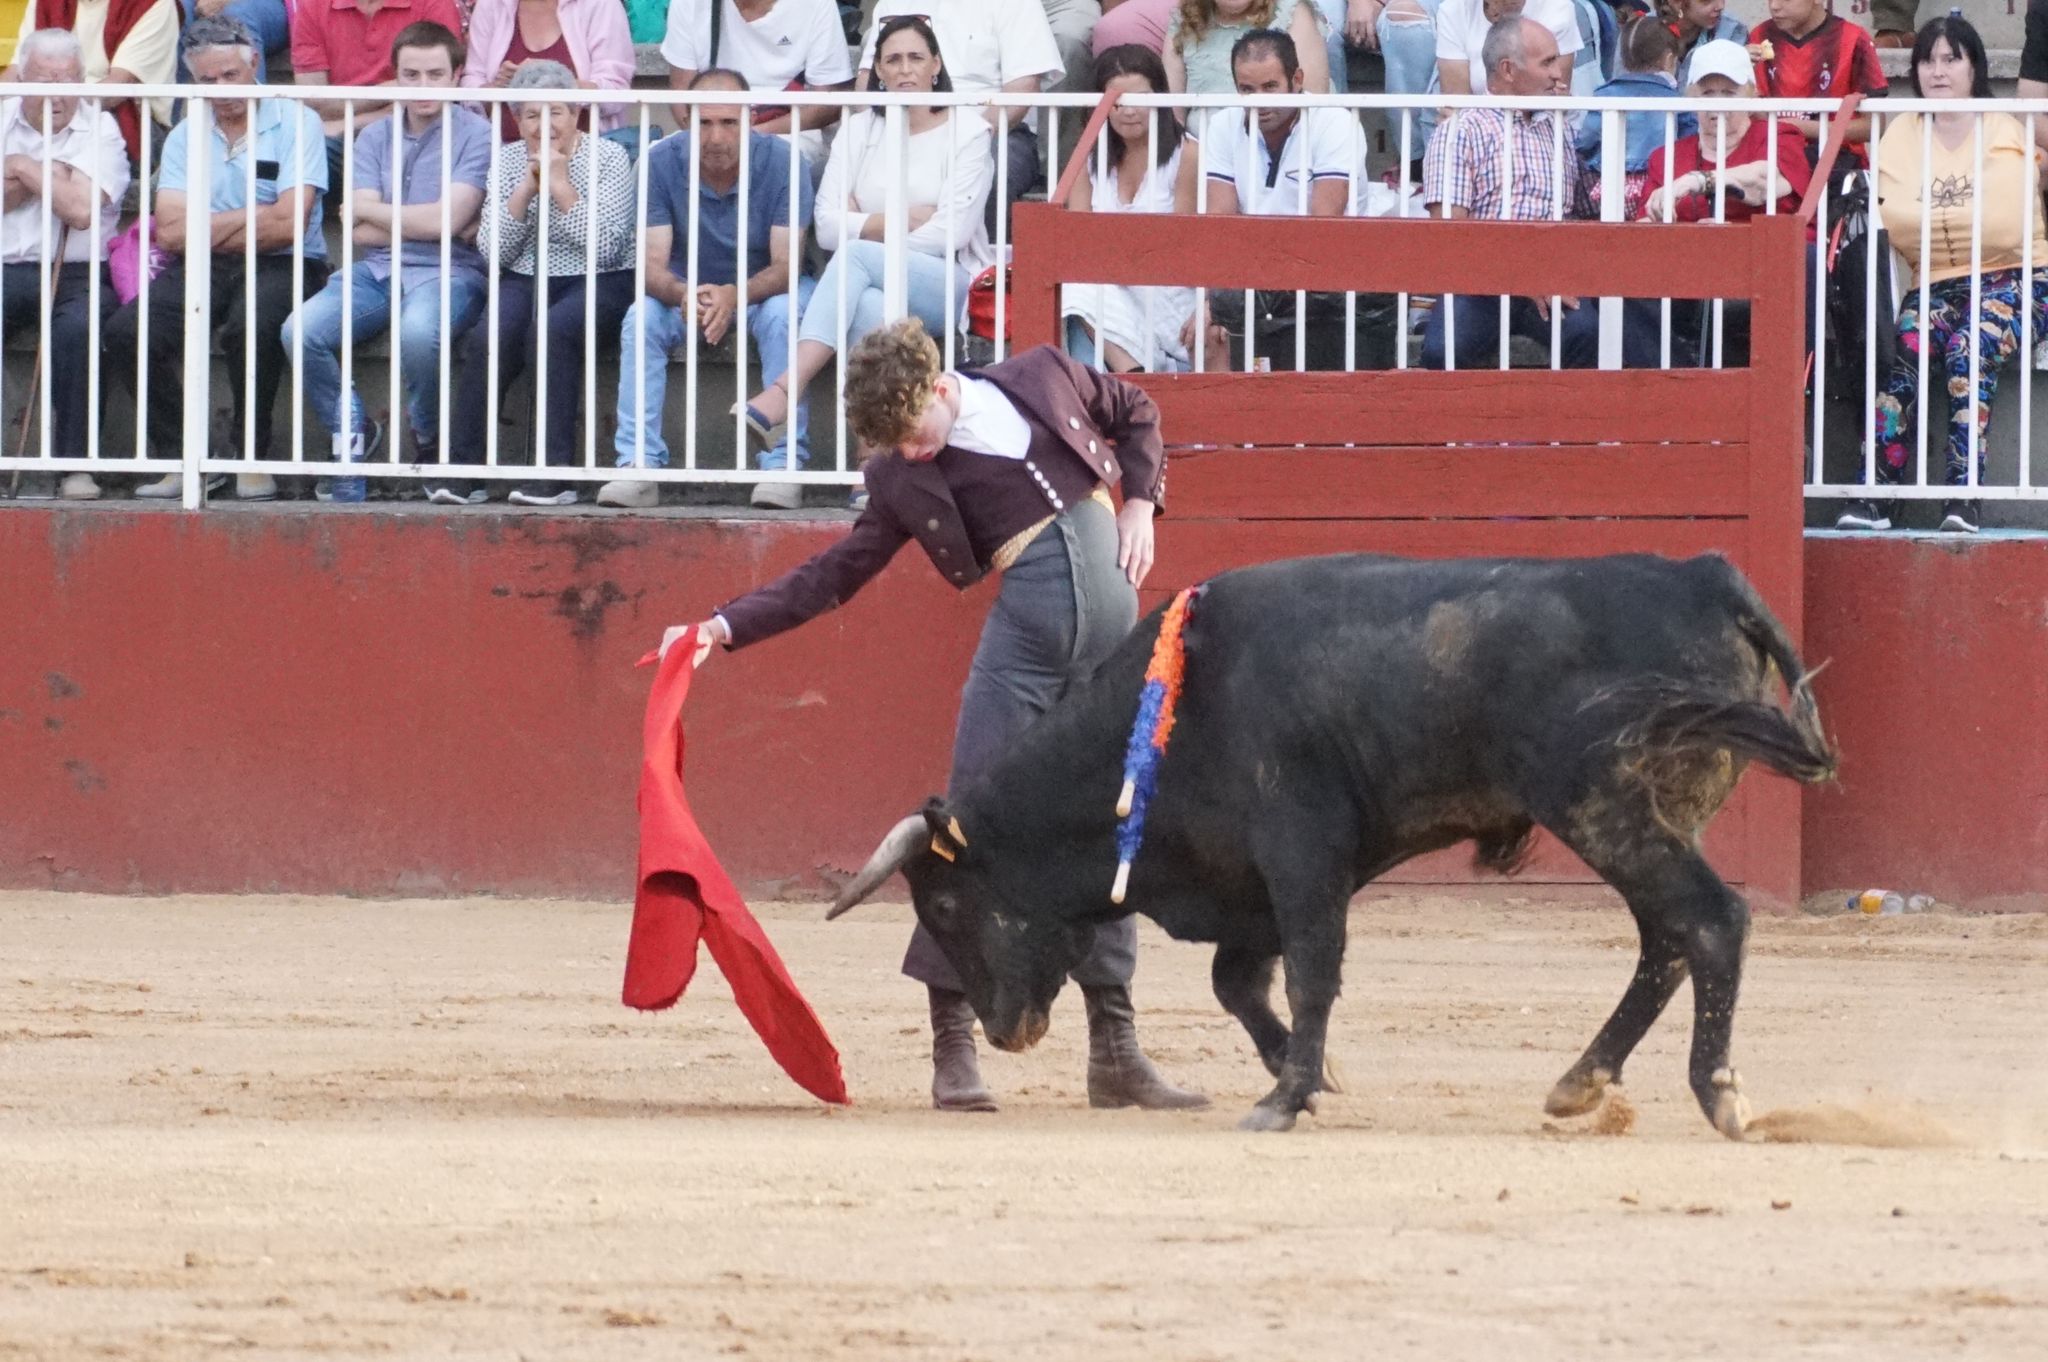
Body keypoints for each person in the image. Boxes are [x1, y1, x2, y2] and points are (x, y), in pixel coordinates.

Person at [660, 316, 1207, 1116]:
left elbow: (1136, 410)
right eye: (897, 447)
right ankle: (952, 1048)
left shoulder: (1046, 375)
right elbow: (836, 573)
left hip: (1107, 659)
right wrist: (721, 625)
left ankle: (1115, 1052)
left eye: (916, 433)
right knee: (962, 839)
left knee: (1114, 829)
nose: (914, 454)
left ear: (942, 388)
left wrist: (1141, 504)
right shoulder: (901, 478)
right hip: (1020, 657)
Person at [736, 15, 994, 499]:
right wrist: (900, 220)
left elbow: (949, 233)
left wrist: (867, 226)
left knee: (856, 258)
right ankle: (871, 466)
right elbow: (827, 224)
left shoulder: (969, 131)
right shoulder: (857, 131)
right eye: (892, 59)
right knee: (870, 307)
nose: (904, 70)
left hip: (946, 282)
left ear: (936, 66)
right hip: (875, 276)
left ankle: (785, 390)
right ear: (876, 68)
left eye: (916, 58)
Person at [1836, 15, 2048, 536]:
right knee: (1899, 352)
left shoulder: (2015, 128)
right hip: (1932, 284)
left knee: (1968, 348)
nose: (1938, 70)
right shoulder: (1900, 132)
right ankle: (1878, 494)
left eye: (1951, 58)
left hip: (2018, 279)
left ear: (1975, 67)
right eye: (1927, 60)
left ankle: (1963, 493)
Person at [103, 16, 329, 502]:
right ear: (192, 81)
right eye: (208, 80)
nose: (221, 89)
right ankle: (183, 459)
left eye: (230, 75)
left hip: (287, 260)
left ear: (254, 66)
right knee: (128, 332)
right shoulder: (188, 131)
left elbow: (289, 224)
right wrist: (253, 214)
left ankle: (250, 457)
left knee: (250, 326)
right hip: (209, 262)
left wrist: (206, 226)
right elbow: (170, 232)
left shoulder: (297, 120)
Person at [281, 21, 492, 503]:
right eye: (411, 75)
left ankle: (430, 440)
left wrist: (372, 210)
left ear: (457, 75)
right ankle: (349, 429)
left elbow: (448, 220)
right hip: (376, 269)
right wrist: (419, 219)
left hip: (450, 271)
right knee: (300, 330)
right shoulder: (375, 135)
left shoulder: (476, 133)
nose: (422, 87)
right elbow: (358, 234)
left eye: (435, 74)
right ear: (394, 77)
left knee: (418, 332)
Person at [600, 70, 816, 511]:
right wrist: (683, 294)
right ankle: (638, 464)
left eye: (729, 122)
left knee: (783, 313)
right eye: (704, 122)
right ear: (686, 118)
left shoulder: (783, 162)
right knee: (640, 315)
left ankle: (783, 463)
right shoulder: (661, 161)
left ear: (750, 118)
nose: (715, 135)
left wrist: (733, 294)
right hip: (687, 293)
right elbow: (650, 266)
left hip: (761, 292)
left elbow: (786, 266)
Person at [445, 60, 636, 506]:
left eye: (557, 112)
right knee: (491, 334)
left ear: (576, 114)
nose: (544, 125)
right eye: (531, 114)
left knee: (553, 331)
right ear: (517, 119)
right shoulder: (508, 159)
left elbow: (607, 246)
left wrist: (561, 186)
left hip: (600, 277)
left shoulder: (608, 156)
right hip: (527, 273)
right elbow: (494, 251)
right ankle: (464, 470)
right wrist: (526, 191)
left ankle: (554, 474)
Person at [1420, 16, 1606, 370]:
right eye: (1547, 62)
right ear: (1508, 70)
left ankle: (1564, 426)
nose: (1559, 74)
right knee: (1442, 352)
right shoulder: (1461, 130)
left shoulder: (1561, 128)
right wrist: (1519, 276)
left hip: (1553, 278)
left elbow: (1585, 209)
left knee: (1589, 334)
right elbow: (1448, 237)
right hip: (1480, 283)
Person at [1200, 29, 1387, 371]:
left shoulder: (1336, 122)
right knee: (1210, 326)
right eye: (1247, 90)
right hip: (1260, 279)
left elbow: (1322, 226)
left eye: (1270, 87)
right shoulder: (1222, 124)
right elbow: (1219, 225)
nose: (1260, 101)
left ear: (1297, 79)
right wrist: (1214, 303)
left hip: (1332, 283)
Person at [1, 29, 128, 502]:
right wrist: (52, 175)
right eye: (43, 79)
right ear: (22, 78)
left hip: (79, 270)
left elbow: (79, 212)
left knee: (80, 329)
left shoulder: (102, 128)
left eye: (66, 79)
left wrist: (21, 167)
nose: (56, 92)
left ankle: (74, 464)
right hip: (7, 266)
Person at [1636, 38, 1811, 368]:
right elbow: (1644, 226)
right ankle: (1678, 384)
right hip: (1688, 281)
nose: (1717, 104)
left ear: (1752, 96)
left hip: (1763, 280)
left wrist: (1699, 181)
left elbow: (1766, 180)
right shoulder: (1666, 158)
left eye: (1728, 94)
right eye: (1707, 93)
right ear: (1691, 98)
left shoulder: (1777, 137)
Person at [859, 0, 1063, 231]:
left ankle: (977, 265)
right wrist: (868, 138)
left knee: (990, 176)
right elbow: (869, 81)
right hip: (901, 130)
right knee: (835, 171)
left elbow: (1022, 89)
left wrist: (962, 140)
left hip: (995, 134)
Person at [1062, 43, 1201, 374]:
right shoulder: (1086, 159)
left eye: (1140, 99)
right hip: (1104, 294)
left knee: (1080, 294)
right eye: (1117, 102)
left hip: (1167, 299)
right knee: (1075, 288)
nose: (1128, 111)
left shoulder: (1188, 155)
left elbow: (1185, 246)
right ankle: (1130, 375)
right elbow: (1076, 242)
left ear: (1160, 98)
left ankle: (1109, 392)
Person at [291, 0, 468, 198]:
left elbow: (427, 90)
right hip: (338, 140)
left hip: (408, 132)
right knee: (298, 154)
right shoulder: (314, 5)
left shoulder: (433, 3)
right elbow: (314, 99)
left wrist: (344, 122)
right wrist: (389, 95)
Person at [659, 0, 855, 170]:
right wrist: (712, 136)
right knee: (654, 161)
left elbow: (827, 104)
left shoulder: (817, 4)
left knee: (781, 161)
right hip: (709, 132)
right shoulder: (688, 4)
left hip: (789, 133)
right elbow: (681, 94)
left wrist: (747, 135)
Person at [14, 0, 179, 163]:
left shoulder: (154, 3)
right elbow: (16, 71)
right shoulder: (44, 2)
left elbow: (117, 87)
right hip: (52, 108)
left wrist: (54, 102)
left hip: (126, 118)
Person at [462, 0, 636, 148]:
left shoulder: (602, 4)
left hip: (584, 157)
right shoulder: (491, 5)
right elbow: (469, 85)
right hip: (499, 154)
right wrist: (495, 88)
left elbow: (616, 91)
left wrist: (551, 78)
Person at [1577, 13, 1695, 220]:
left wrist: (1596, 160)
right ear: (1669, 59)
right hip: (1658, 183)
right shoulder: (1675, 100)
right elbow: (1691, 137)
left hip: (1611, 185)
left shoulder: (1605, 94)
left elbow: (1587, 140)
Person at [1746, 0, 1886, 163]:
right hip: (1772, 158)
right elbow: (1753, 114)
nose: (1774, 6)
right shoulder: (1759, 36)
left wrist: (1800, 128)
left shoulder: (1853, 38)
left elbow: (1874, 126)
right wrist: (1738, 66)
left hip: (1838, 160)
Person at [1165, 0, 1331, 132]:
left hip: (1283, 152)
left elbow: (1314, 102)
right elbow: (1170, 114)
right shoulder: (1185, 18)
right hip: (1202, 158)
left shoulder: (1291, 10)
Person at [1433, 0, 1581, 97]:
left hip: (1543, 127)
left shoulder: (1558, 7)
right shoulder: (1453, 10)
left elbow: (1553, 94)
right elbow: (1456, 103)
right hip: (1476, 131)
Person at [178, 0, 289, 83]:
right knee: (176, 10)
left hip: (271, 7)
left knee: (239, 14)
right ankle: (168, 110)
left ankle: (252, 108)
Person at [1668, 0, 1747, 88]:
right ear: (1676, 2)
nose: (1720, 6)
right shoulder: (1651, 28)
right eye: (1707, 1)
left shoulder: (1731, 30)